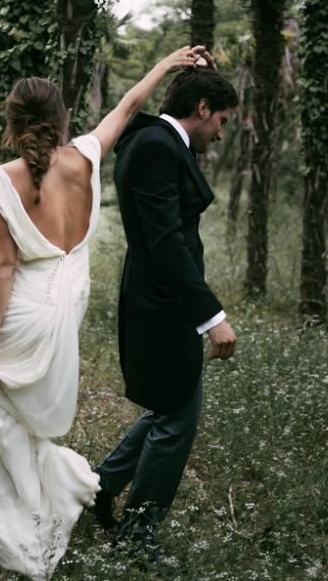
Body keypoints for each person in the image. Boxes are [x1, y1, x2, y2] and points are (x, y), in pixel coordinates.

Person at [0, 45, 207, 580]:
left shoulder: (6, 177)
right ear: (63, 116)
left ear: (13, 120)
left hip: (29, 305)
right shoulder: (86, 155)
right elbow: (131, 103)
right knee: (20, 410)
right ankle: (51, 493)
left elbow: (4, 265)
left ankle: (25, 514)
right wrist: (167, 64)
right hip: (70, 301)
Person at [90, 62, 239, 565]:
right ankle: (135, 535)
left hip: (161, 298)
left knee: (170, 405)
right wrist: (211, 315)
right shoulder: (156, 146)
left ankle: (102, 483)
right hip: (163, 304)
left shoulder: (154, 138)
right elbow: (166, 243)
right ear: (201, 109)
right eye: (220, 119)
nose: (221, 132)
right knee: (177, 419)